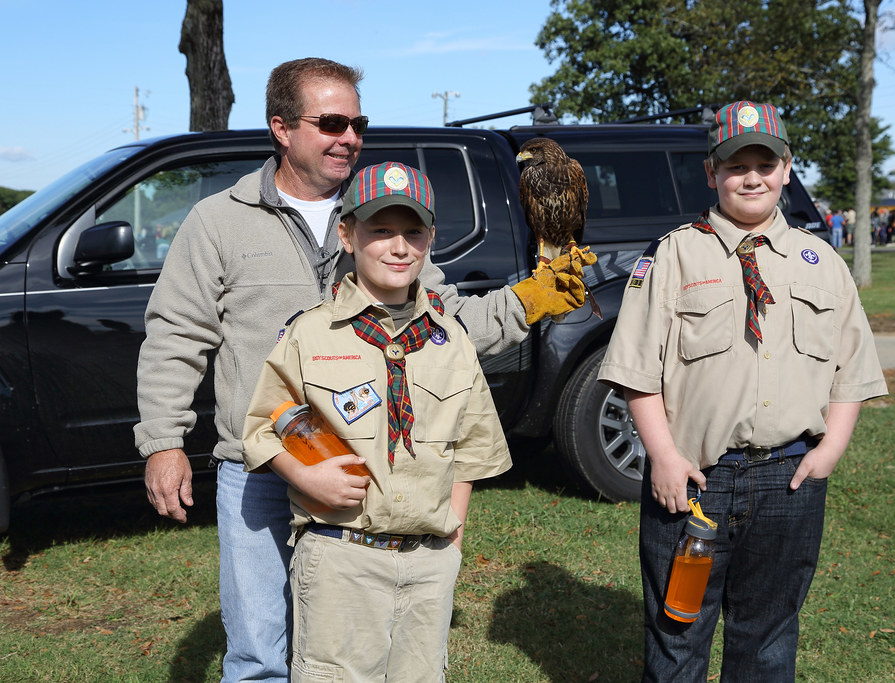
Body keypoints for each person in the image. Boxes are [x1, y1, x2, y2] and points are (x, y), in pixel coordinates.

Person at [134, 58, 586, 682]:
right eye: (331, 122)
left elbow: (448, 322)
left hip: (366, 473)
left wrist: (531, 300)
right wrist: (163, 443)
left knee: (355, 651)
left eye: (357, 122)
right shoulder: (220, 220)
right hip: (263, 463)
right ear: (281, 128)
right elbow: (175, 335)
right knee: (261, 649)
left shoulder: (382, 215)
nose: (349, 136)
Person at [597, 100, 888, 681]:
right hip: (697, 484)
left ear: (786, 169)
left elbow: (850, 372)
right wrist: (663, 456)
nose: (751, 176)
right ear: (711, 172)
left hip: (790, 480)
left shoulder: (822, 262)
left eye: (765, 162)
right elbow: (636, 373)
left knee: (769, 638)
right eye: (735, 164)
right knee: (678, 635)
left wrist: (828, 452)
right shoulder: (674, 255)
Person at [242, 162, 512, 681]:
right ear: (347, 235)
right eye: (380, 231)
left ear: (430, 239)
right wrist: (304, 476)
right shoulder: (311, 335)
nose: (398, 246)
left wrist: (450, 546)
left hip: (428, 561)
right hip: (342, 558)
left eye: (413, 232)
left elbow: (471, 451)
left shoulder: (451, 340)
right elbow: (259, 426)